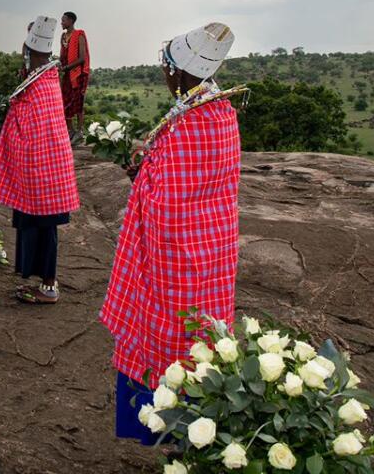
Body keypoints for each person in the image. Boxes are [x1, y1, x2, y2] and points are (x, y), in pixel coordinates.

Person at [99, 22, 243, 446]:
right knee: (203, 342)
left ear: (180, 73)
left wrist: (140, 175)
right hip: (212, 253)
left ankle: (170, 432)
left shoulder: (189, 123)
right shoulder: (221, 114)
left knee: (166, 341)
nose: (163, 76)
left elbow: (167, 205)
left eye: (166, 69)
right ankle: (199, 434)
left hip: (173, 260)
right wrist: (148, 169)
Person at [0, 16, 79, 305]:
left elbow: (37, 126)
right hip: (39, 165)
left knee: (44, 227)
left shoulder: (43, 83)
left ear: (29, 48)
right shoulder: (43, 78)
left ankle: (48, 286)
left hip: (42, 168)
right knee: (33, 224)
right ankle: (40, 280)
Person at [59, 12, 90, 141]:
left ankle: (80, 131)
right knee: (65, 101)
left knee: (78, 102)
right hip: (67, 73)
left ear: (71, 21)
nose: (62, 23)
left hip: (78, 74)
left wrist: (66, 68)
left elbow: (82, 58)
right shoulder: (63, 36)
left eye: (64, 20)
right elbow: (62, 56)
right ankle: (70, 130)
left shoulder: (79, 35)